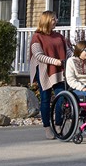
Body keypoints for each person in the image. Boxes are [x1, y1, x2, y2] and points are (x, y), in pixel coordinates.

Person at [29, 11, 72, 139]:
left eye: (56, 18)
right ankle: (47, 127)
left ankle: (58, 124)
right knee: (46, 100)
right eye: (53, 19)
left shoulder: (59, 36)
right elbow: (38, 55)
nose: (56, 20)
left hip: (59, 71)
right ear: (46, 20)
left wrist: (76, 59)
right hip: (44, 72)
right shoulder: (37, 37)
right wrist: (55, 61)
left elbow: (68, 51)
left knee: (61, 98)